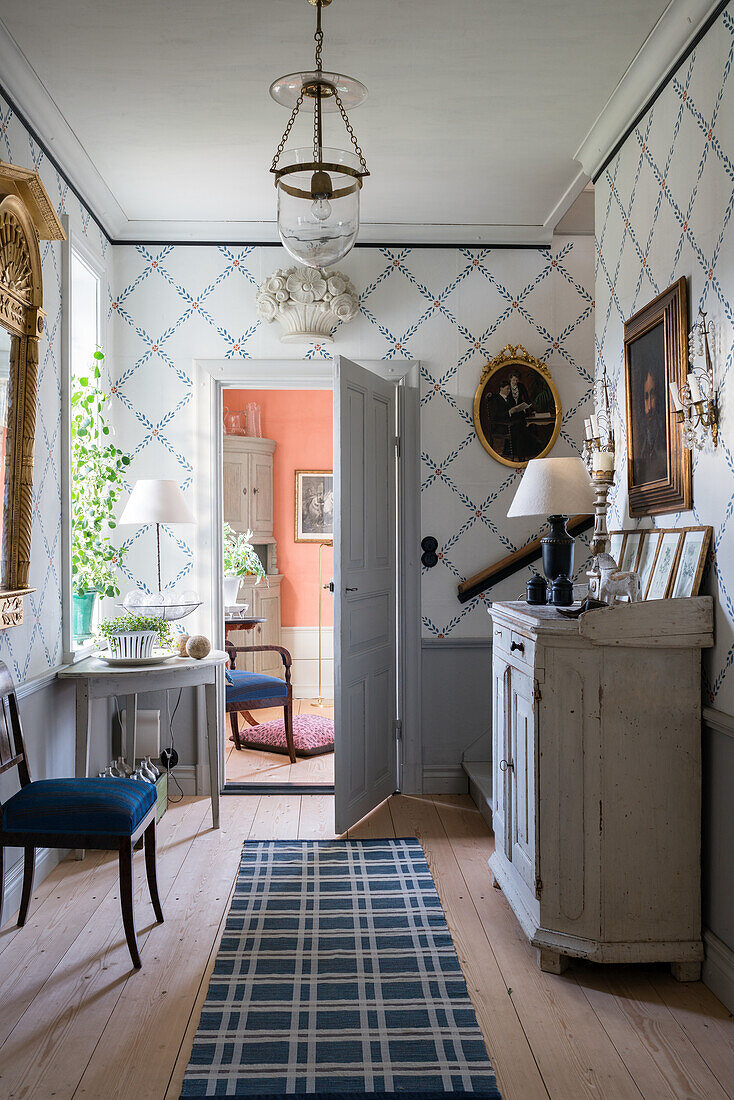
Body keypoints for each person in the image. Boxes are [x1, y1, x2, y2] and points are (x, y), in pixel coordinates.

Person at [634, 367, 667, 484]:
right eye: (646, 396)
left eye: (652, 395)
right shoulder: (642, 441)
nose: (649, 407)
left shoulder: (667, 437)